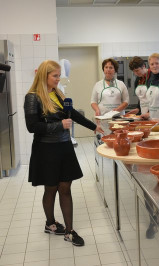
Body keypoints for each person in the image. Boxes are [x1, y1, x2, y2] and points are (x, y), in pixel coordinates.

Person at [24, 60, 104, 246]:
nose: (58, 79)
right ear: (44, 76)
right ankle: (50, 223)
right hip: (46, 149)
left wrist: (94, 127)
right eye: (55, 76)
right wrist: (59, 125)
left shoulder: (58, 94)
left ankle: (69, 231)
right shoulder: (33, 97)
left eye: (59, 75)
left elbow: (73, 114)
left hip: (64, 147)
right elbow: (32, 126)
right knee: (51, 188)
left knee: (65, 188)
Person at [140, 53, 159, 121]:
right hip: (151, 120)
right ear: (149, 66)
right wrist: (148, 113)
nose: (154, 66)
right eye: (152, 64)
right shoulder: (149, 80)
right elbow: (151, 101)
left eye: (157, 63)